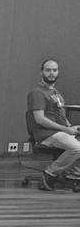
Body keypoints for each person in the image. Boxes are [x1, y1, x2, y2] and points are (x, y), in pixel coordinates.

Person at [27, 58, 80, 189]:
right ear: (41, 72)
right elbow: (40, 119)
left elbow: (61, 116)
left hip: (61, 131)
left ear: (58, 72)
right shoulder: (37, 93)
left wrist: (70, 127)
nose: (51, 73)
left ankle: (73, 175)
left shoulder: (55, 92)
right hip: (46, 134)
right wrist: (66, 129)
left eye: (54, 70)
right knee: (77, 148)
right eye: (48, 70)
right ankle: (50, 173)